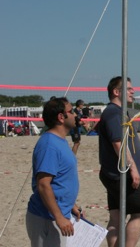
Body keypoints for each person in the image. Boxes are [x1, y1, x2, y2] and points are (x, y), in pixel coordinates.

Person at [98, 76, 140, 247]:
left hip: (113, 173)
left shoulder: (116, 111)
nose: (133, 91)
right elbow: (118, 144)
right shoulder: (114, 113)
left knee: (116, 217)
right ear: (116, 92)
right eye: (129, 89)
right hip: (121, 174)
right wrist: (133, 168)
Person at [26, 97, 82, 246]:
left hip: (57, 215)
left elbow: (60, 179)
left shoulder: (60, 141)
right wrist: (59, 217)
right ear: (61, 117)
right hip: (46, 218)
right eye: (71, 111)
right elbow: (43, 184)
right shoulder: (49, 144)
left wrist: (71, 205)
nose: (75, 115)